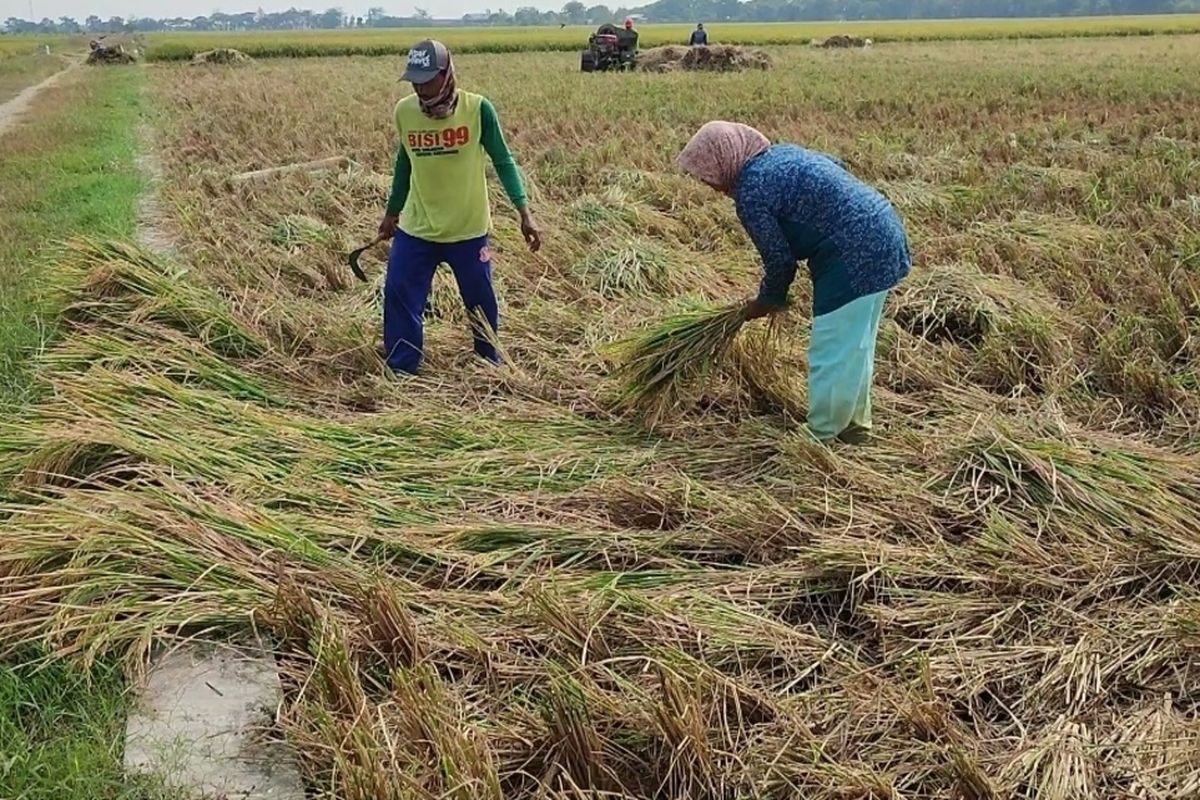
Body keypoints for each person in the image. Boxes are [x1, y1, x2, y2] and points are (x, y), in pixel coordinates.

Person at [676, 121, 911, 444]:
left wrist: (767, 301)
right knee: (855, 344)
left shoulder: (751, 192)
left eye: (709, 175)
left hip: (852, 255)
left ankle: (821, 434)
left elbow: (780, 260)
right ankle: (854, 427)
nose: (711, 186)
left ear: (724, 160)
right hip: (883, 229)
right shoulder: (781, 154)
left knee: (831, 349)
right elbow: (835, 164)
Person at [378, 39, 541, 375]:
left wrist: (523, 211)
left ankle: (487, 363)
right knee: (399, 295)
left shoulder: (478, 109)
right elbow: (404, 164)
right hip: (418, 228)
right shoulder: (405, 112)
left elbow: (503, 160)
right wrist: (391, 213)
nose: (421, 88)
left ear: (446, 73)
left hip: (467, 229)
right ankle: (402, 370)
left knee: (479, 301)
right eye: (415, 80)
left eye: (427, 79)